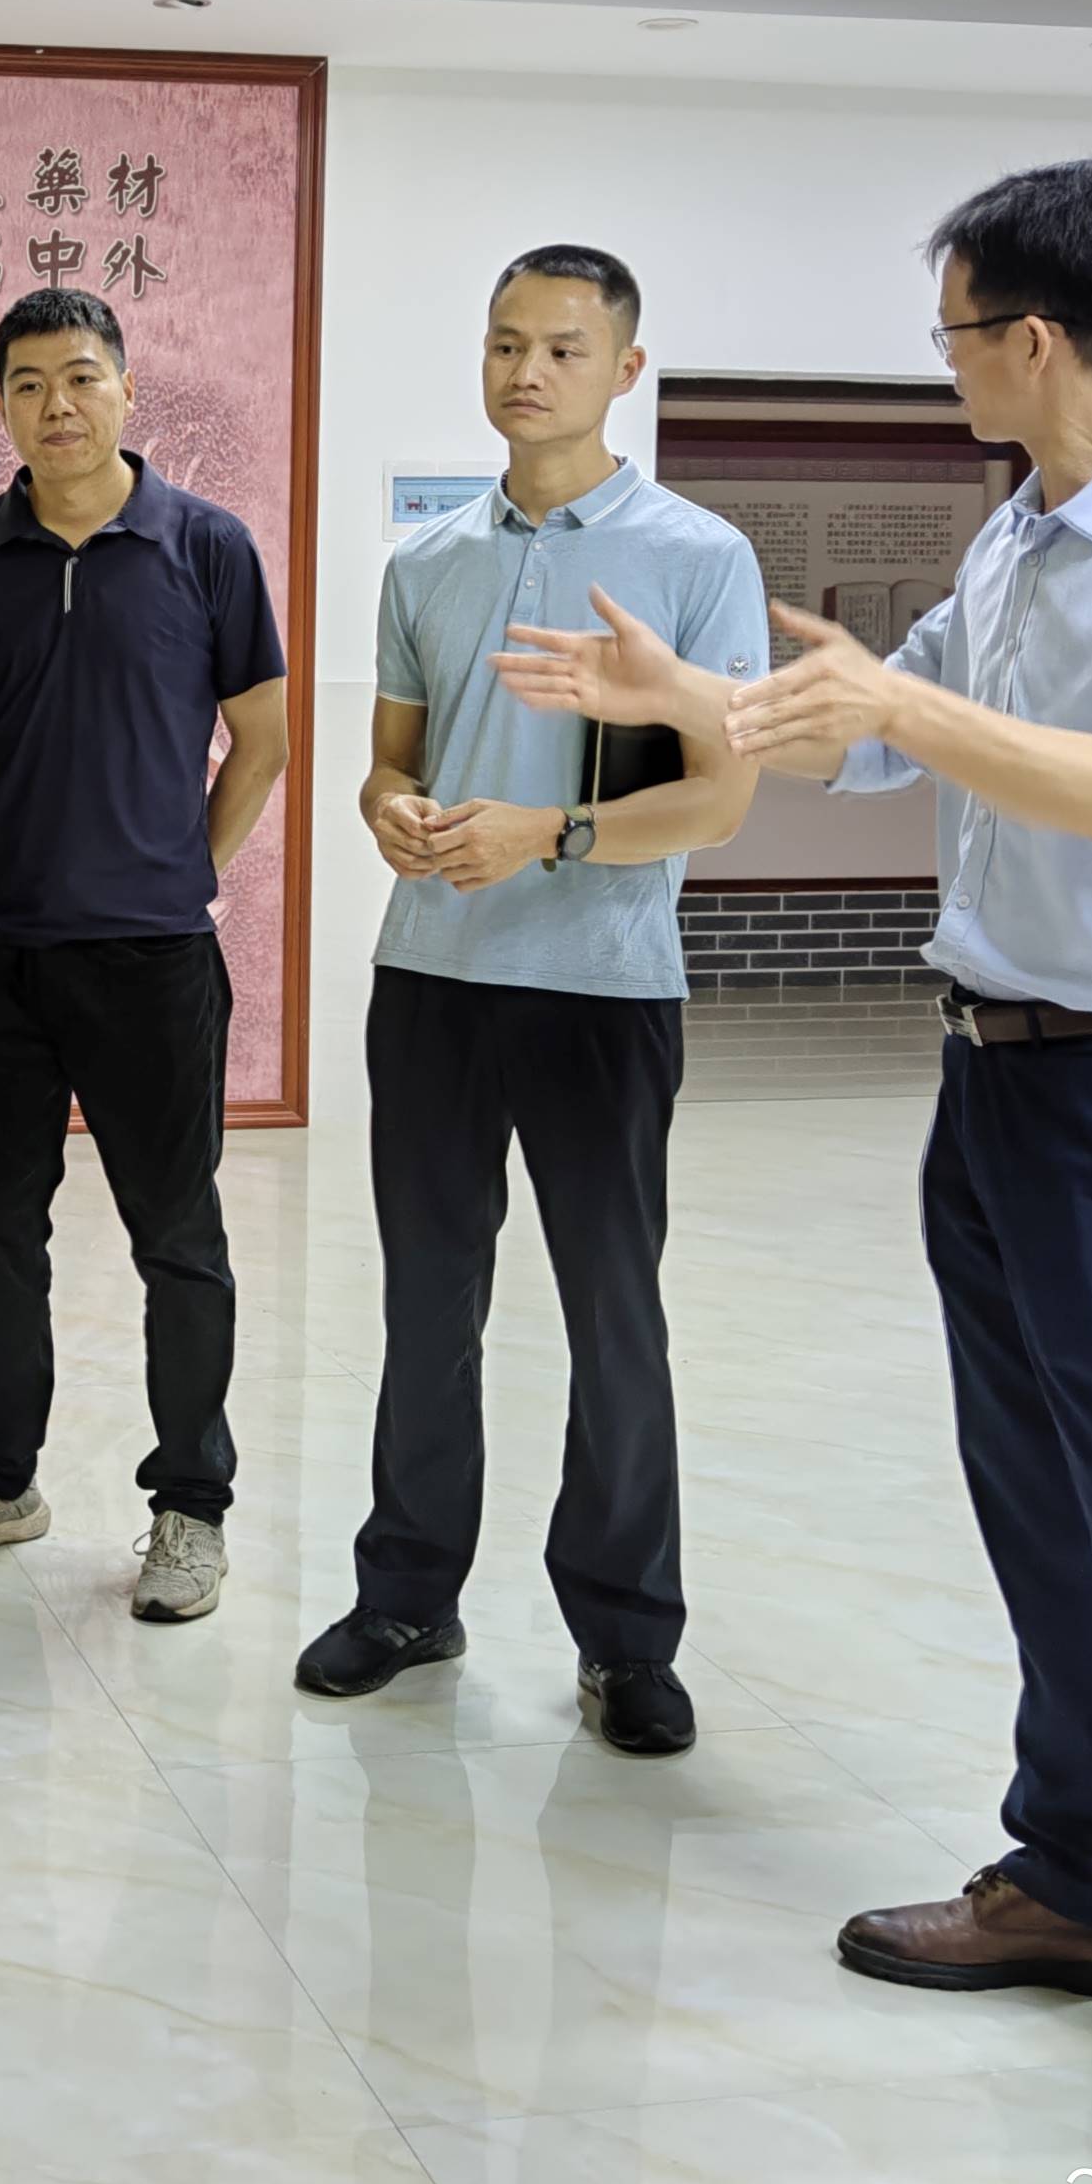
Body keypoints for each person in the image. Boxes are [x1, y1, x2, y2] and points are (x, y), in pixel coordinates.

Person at [493, 155, 1092, 2180]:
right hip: (995, 1077)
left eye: (951, 333)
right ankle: (1077, 1877)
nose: (943, 364)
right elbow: (865, 739)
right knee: (1038, 1501)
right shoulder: (1021, 529)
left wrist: (895, 704)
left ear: (1031, 337)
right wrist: (694, 701)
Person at [295, 247, 764, 1756]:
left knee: (613, 1319)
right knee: (426, 1305)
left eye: (563, 347)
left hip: (601, 988)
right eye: (506, 343)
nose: (527, 371)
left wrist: (545, 834)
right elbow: (391, 760)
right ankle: (407, 1597)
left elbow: (717, 804)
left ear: (626, 369)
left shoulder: (697, 558)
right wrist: (389, 809)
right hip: (432, 978)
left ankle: (626, 1640)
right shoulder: (428, 562)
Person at [0, 288, 289, 1622]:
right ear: (1, 402)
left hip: (151, 959)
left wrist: (178, 872)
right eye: (28, 383)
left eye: (81, 376)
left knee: (178, 1238)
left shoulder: (207, 545)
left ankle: (191, 1508)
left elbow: (263, 743)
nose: (57, 404)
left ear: (125, 388)